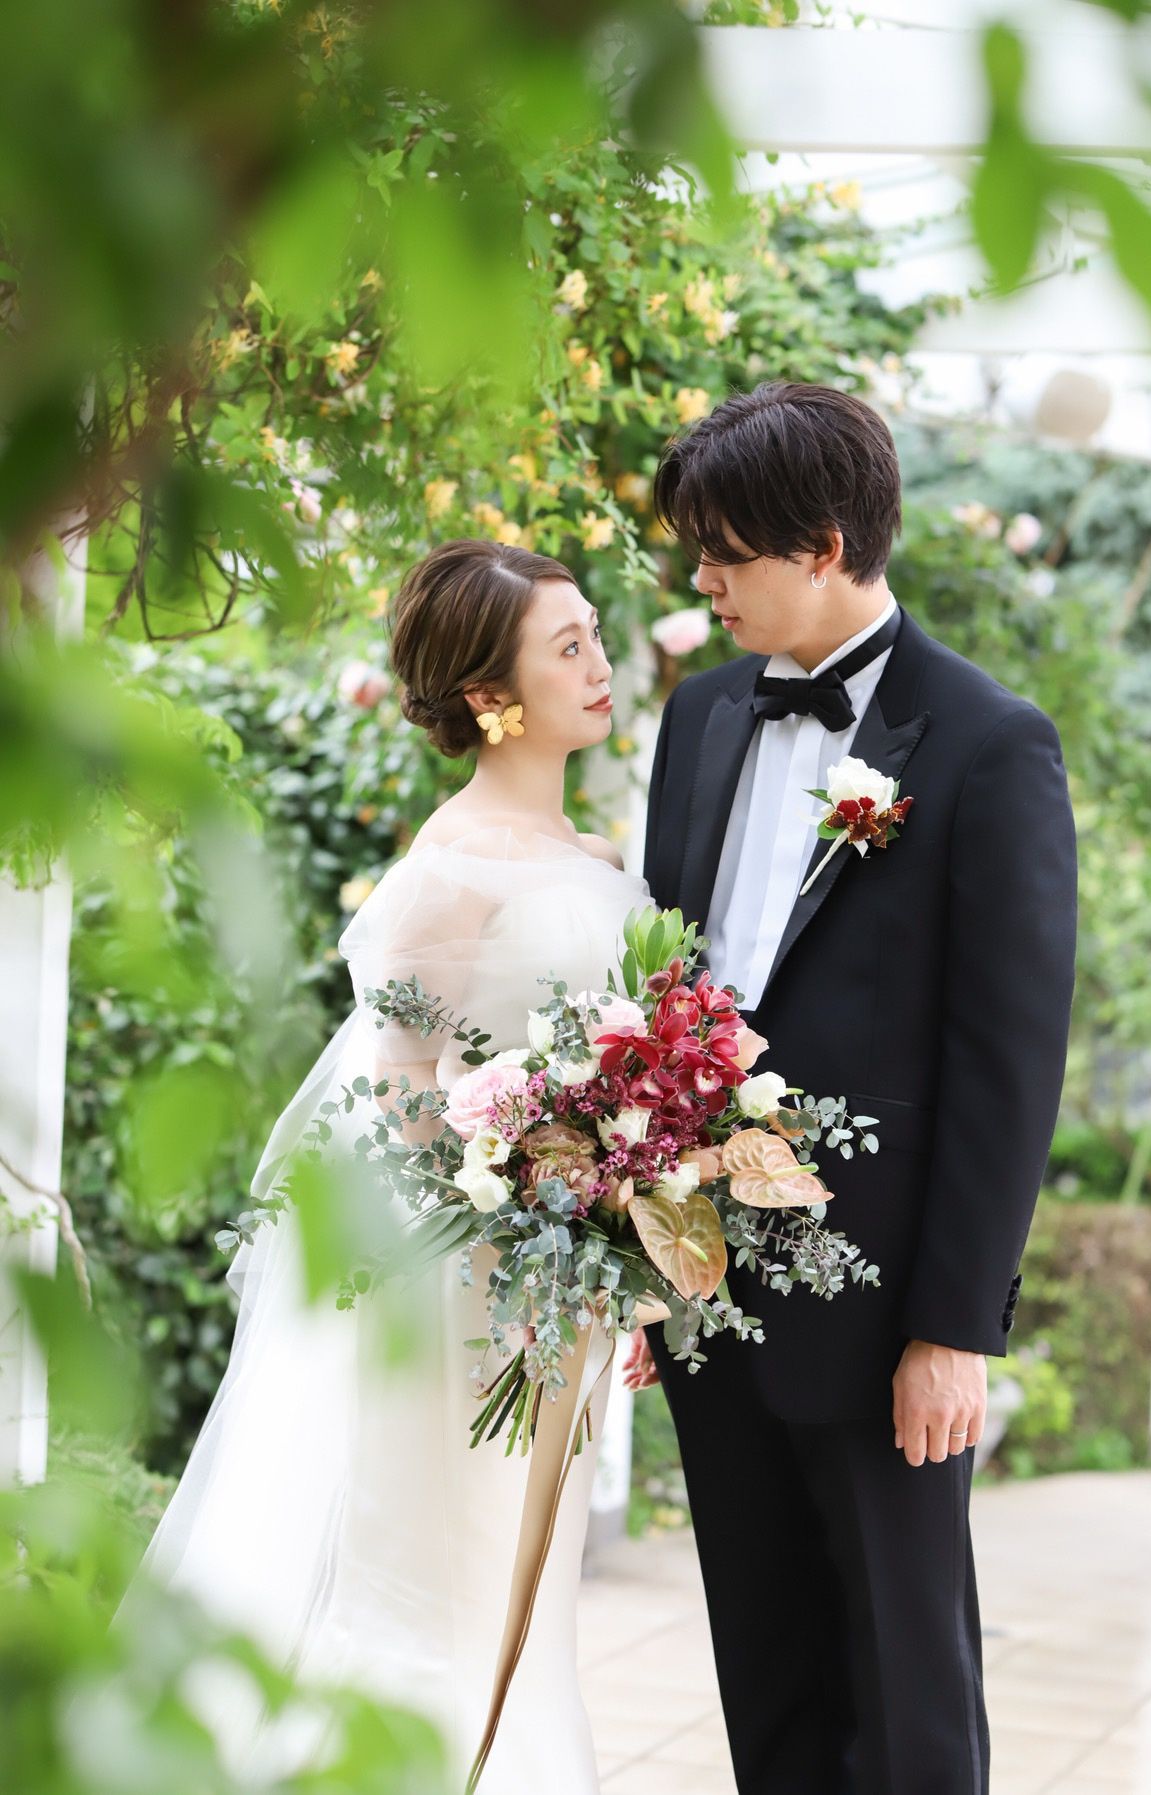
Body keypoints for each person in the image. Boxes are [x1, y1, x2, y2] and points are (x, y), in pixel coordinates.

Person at [112, 539, 652, 1793]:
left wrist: (629, 1244)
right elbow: (402, 1106)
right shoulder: (445, 874)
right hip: (463, 1293)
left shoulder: (588, 857)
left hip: (560, 1289)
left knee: (524, 1588)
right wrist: (537, 1203)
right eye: (567, 645)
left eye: (592, 633)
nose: (599, 662)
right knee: (437, 1585)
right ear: (491, 695)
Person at [623, 380, 1079, 1795]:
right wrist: (642, 1257)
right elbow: (668, 1001)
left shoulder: (989, 741)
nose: (703, 583)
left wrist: (953, 1326)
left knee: (906, 1697)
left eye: (724, 554)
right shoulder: (702, 714)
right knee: (765, 1682)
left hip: (883, 1318)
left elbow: (1009, 1059)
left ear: (823, 546)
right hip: (709, 1293)